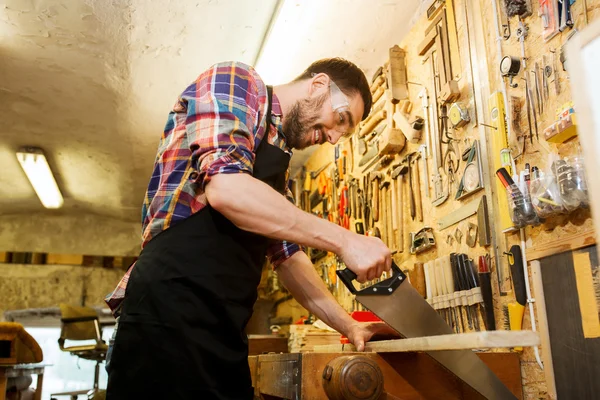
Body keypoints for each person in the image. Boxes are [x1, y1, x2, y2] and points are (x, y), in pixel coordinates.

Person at [105, 58, 393, 399]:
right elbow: (226, 190)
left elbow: (287, 257)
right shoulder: (238, 82)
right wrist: (345, 241)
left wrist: (349, 325)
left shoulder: (278, 164)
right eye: (340, 119)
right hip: (169, 308)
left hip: (225, 324)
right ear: (318, 85)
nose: (333, 137)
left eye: (342, 133)